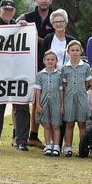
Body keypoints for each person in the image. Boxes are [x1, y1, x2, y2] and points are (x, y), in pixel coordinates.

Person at [0, 0, 30, 152]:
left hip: (17, 73)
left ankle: (22, 141)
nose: (8, 12)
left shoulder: (20, 27)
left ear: (14, 12)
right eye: (5, 9)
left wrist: (25, 28)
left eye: (11, 10)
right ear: (0, 10)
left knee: (22, 107)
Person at [32, 8, 76, 146]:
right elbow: (41, 58)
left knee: (63, 111)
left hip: (67, 80)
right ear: (52, 24)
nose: (58, 24)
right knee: (51, 111)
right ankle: (51, 142)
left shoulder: (71, 40)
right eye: (55, 22)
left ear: (66, 22)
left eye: (61, 21)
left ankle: (61, 142)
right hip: (50, 79)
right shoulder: (48, 38)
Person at [20, 0, 55, 148]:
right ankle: (18, 134)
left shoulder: (56, 18)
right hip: (25, 63)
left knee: (37, 100)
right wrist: (21, 26)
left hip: (46, 66)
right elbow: (12, 33)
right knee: (20, 100)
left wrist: (35, 38)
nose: (43, 1)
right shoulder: (26, 17)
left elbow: (53, 41)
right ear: (36, 0)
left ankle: (33, 135)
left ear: (50, 0)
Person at [62, 40, 92, 157]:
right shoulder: (65, 68)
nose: (75, 52)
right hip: (69, 99)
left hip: (82, 98)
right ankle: (68, 147)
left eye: (77, 50)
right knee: (69, 123)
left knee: (82, 124)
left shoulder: (86, 67)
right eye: (72, 50)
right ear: (68, 52)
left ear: (81, 51)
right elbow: (64, 86)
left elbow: (88, 83)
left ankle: (82, 148)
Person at [33, 51, 64, 157]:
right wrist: (38, 104)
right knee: (46, 125)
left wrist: (61, 106)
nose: (50, 61)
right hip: (44, 102)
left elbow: (61, 91)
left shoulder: (59, 75)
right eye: (48, 59)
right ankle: (48, 145)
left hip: (56, 102)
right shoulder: (40, 75)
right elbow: (37, 91)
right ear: (44, 61)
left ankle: (56, 146)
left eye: (52, 59)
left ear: (56, 61)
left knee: (55, 125)